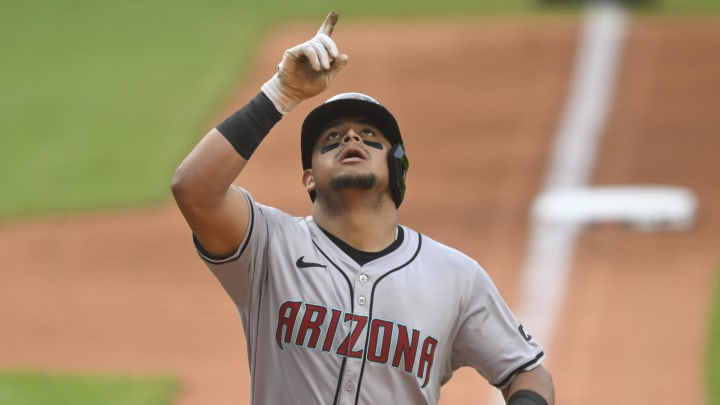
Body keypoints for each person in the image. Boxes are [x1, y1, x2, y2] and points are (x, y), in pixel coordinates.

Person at [171, 10, 555, 405]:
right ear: (309, 179)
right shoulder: (268, 248)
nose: (350, 137)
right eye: (331, 138)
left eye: (369, 135)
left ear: (397, 166)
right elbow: (194, 188)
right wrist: (283, 91)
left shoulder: (456, 277)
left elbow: (527, 372)